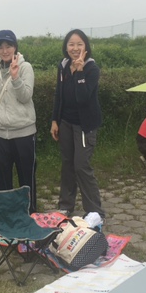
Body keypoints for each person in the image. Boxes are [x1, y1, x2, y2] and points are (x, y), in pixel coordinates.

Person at [0, 30, 38, 213]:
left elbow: (25, 96)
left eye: (8, 46)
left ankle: (29, 212)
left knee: (26, 177)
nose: (4, 51)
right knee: (3, 178)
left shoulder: (25, 67)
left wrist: (15, 77)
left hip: (23, 132)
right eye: (0, 47)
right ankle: (7, 214)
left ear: (15, 47)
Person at [50, 29, 105, 220]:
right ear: (66, 47)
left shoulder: (91, 69)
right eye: (71, 44)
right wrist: (55, 120)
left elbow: (83, 98)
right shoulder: (63, 65)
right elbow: (59, 95)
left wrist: (79, 72)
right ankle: (65, 205)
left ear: (86, 47)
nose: (75, 48)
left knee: (81, 165)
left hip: (84, 125)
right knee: (67, 164)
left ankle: (95, 211)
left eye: (79, 44)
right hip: (65, 122)